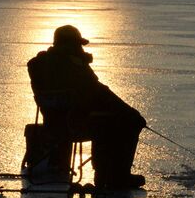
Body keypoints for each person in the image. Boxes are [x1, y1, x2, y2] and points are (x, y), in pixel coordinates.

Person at [27, 24, 146, 189]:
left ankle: (110, 173)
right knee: (128, 121)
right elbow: (99, 93)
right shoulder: (74, 66)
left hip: (53, 125)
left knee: (106, 119)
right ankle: (115, 175)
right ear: (69, 45)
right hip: (77, 125)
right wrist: (130, 112)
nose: (80, 48)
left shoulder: (37, 65)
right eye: (77, 45)